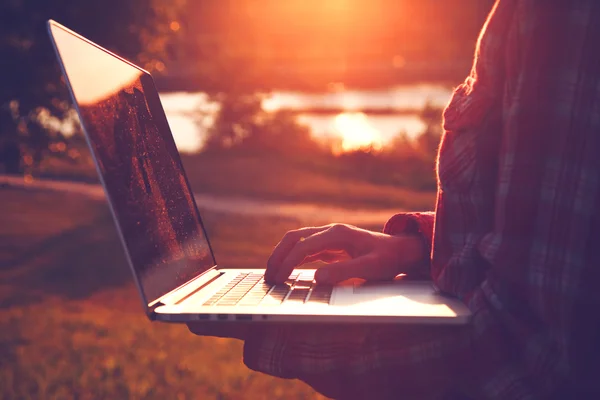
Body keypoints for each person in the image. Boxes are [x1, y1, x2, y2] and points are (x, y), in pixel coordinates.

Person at [188, 0, 600, 398]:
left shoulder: (562, 15)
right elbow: (570, 247)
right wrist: (418, 247)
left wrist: (288, 334)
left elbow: (532, 359)